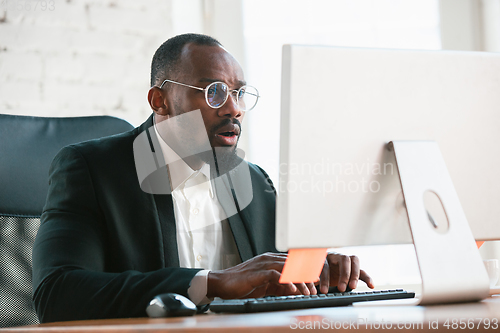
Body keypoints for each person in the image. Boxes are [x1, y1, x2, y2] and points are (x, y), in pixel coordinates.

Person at [32, 33, 374, 323]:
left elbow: (279, 279)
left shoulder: (254, 183)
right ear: (160, 100)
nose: (233, 108)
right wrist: (212, 282)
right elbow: (57, 294)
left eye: (238, 94)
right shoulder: (92, 170)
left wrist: (321, 273)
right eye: (214, 91)